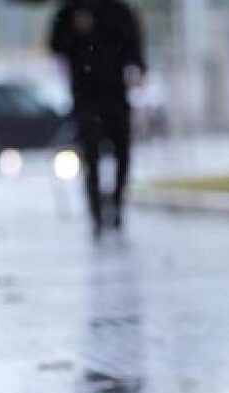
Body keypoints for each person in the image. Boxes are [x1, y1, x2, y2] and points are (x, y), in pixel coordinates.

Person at [49, 0, 146, 235]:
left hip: (116, 94)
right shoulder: (70, 10)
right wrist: (75, 30)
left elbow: (134, 46)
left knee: (122, 154)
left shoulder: (119, 11)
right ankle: (95, 213)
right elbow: (56, 45)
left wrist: (138, 69)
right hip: (86, 97)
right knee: (91, 157)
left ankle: (117, 203)